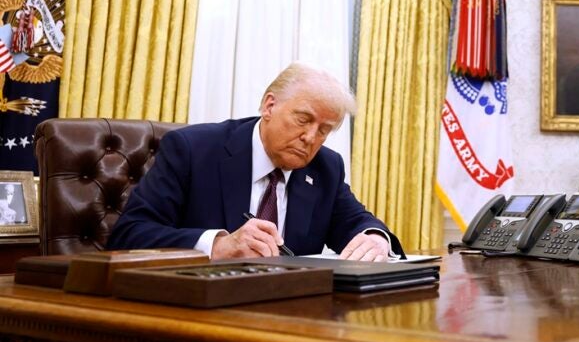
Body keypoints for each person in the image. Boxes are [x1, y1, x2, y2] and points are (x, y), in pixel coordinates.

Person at [108, 63, 403, 261]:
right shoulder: (193, 150)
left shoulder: (325, 168)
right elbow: (128, 235)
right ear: (269, 106)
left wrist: (375, 238)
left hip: (289, 320)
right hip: (199, 315)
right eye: (303, 120)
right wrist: (218, 245)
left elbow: (356, 222)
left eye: (324, 130)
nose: (311, 137)